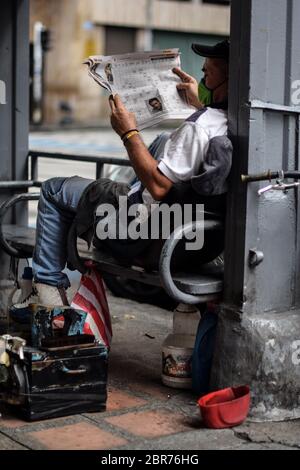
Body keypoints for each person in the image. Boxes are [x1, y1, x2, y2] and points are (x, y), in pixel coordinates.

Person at [14, 39, 230, 308]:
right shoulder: (234, 123)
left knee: (53, 189)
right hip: (193, 236)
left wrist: (129, 133)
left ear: (228, 81)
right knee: (163, 139)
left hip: (145, 232)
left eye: (207, 73)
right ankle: (116, 196)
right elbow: (209, 127)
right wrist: (199, 104)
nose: (201, 78)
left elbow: (160, 188)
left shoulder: (199, 128)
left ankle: (47, 295)